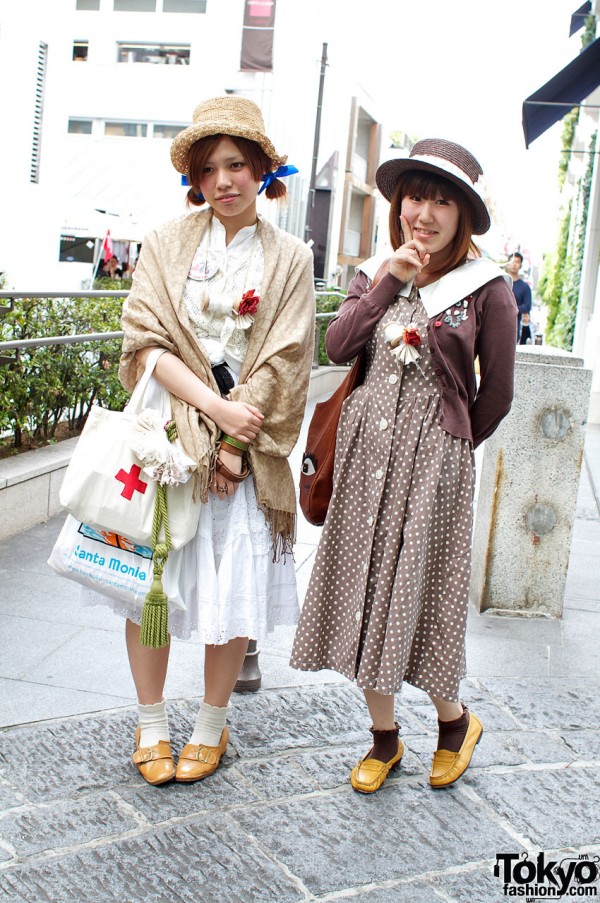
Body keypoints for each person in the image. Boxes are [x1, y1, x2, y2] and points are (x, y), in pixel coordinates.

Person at [88, 96, 315, 785]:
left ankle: (210, 726)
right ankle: (152, 721)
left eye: (238, 164)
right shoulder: (165, 242)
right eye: (211, 167)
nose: (224, 180)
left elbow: (285, 357)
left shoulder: (290, 257)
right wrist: (214, 408)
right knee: (149, 583)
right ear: (195, 177)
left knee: (231, 585)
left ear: (263, 171)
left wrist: (236, 445)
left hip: (241, 450)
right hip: (167, 434)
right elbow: (145, 340)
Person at [290, 139, 517, 794]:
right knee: (364, 593)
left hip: (433, 470)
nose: (425, 212)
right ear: (399, 203)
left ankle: (454, 722)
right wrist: (392, 274)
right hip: (365, 464)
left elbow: (497, 391)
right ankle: (384, 741)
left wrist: (448, 444)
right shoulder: (375, 272)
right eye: (416, 196)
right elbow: (337, 344)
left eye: (442, 201)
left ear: (463, 215)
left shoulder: (487, 289)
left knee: (423, 600)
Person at [506, 251, 531, 341]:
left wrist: (510, 309)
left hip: (516, 326)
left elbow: (527, 306)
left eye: (517, 262)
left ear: (520, 265)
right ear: (507, 263)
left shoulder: (525, 287)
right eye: (512, 261)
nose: (514, 264)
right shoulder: (500, 283)